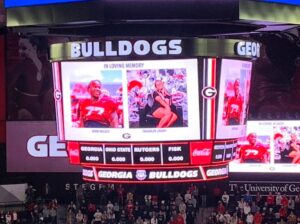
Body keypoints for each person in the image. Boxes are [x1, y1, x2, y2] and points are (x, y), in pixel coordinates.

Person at [7, 35, 53, 120]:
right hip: (20, 106)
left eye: (24, 48)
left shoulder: (44, 65)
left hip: (37, 106)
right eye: (19, 48)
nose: (20, 52)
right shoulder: (20, 66)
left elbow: (48, 85)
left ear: (34, 47)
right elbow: (9, 86)